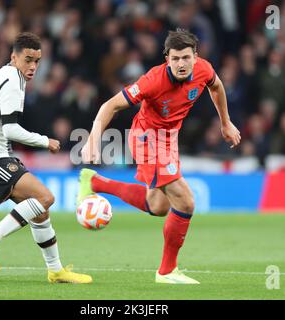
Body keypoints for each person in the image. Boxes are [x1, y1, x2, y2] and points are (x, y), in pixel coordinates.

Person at [79, 30, 241, 284]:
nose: (181, 64)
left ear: (195, 57)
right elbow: (109, 106)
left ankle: (95, 183)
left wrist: (226, 123)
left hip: (169, 139)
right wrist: (91, 140)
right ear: (167, 58)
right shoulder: (152, 80)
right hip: (146, 139)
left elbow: (217, 86)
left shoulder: (204, 69)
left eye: (186, 58)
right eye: (175, 58)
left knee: (158, 207)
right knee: (185, 201)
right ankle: (166, 272)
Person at [0, 32, 92, 284]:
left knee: (39, 212)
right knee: (46, 197)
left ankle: (56, 270)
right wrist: (44, 140)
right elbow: (10, 129)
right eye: (27, 60)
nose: (32, 67)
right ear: (13, 57)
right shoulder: (12, 81)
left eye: (37, 61)